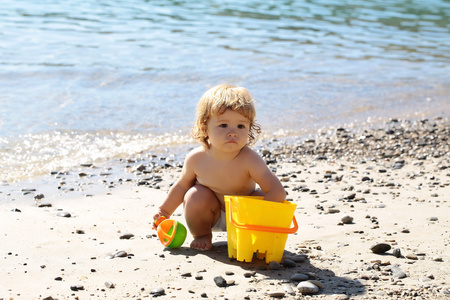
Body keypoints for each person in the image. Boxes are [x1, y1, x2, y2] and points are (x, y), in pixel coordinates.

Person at [152, 84, 286, 251]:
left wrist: (257, 215)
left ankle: (254, 236)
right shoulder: (196, 158)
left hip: (244, 216)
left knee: (264, 197)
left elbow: (277, 191)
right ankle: (202, 235)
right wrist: (164, 211)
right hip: (210, 214)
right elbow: (181, 186)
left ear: (250, 128)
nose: (232, 132)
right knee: (194, 194)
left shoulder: (250, 159)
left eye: (241, 126)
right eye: (223, 125)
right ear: (204, 127)